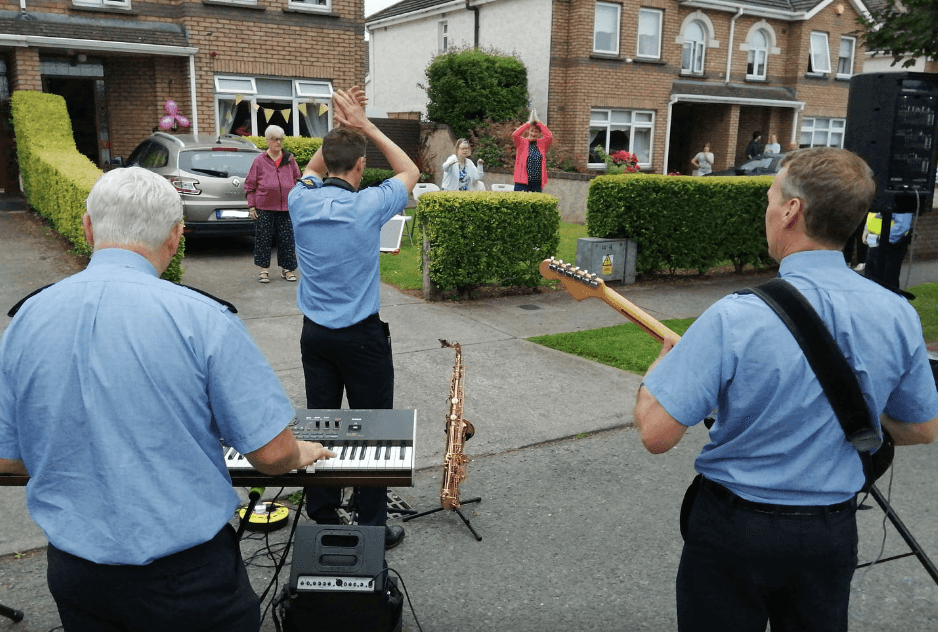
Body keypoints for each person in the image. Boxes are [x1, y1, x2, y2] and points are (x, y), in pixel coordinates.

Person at [0, 167, 334, 632]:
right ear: (176, 236)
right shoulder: (204, 319)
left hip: (78, 576)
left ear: (88, 227)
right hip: (187, 580)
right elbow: (273, 454)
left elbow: (8, 459)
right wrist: (302, 452)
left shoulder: (25, 320)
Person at [633, 147, 938, 632]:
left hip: (735, 528)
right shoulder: (898, 312)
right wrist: (854, 411)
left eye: (771, 199)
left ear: (792, 211)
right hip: (829, 532)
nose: (768, 209)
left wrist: (658, 373)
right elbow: (921, 429)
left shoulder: (736, 315)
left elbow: (656, 433)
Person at [288, 87, 419, 550]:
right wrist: (364, 126)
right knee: (373, 429)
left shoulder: (300, 199)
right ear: (361, 167)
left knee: (321, 423)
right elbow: (410, 170)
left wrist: (340, 129)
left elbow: (312, 169)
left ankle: (324, 514)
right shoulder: (369, 206)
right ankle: (370, 526)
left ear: (328, 161)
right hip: (362, 339)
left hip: (316, 337)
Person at [245, 124, 301, 283]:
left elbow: (298, 179)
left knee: (287, 240)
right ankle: (263, 270)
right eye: (275, 139)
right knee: (263, 239)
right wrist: (252, 206)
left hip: (286, 208)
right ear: (268, 141)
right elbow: (250, 185)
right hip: (264, 207)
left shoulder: (289, 159)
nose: (279, 142)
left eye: (280, 139)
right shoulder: (259, 161)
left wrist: (297, 200)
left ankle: (287, 269)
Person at [864, 209, 913, 289]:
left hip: (890, 246)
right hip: (875, 242)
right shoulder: (879, 200)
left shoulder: (901, 202)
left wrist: (881, 239)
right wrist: (866, 229)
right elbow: (873, 214)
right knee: (870, 280)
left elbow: (902, 226)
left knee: (887, 282)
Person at [512, 110, 553, 192]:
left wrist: (539, 122)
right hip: (521, 182)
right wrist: (528, 123)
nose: (533, 134)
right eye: (531, 131)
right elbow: (515, 135)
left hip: (536, 183)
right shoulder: (521, 142)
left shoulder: (542, 144)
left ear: (539, 133)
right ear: (528, 131)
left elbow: (549, 137)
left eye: (536, 132)